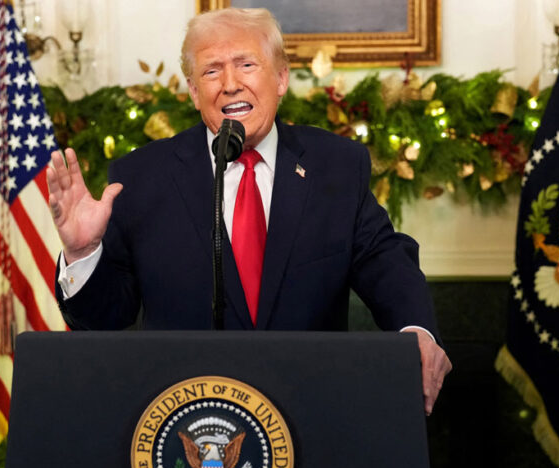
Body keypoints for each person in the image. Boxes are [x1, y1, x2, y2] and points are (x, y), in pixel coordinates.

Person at [46, 7, 451, 414]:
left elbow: (386, 261)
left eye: (246, 65)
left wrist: (416, 331)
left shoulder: (336, 165)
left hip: (310, 413)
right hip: (186, 420)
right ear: (192, 90)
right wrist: (82, 254)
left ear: (280, 78)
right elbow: (106, 319)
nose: (230, 85)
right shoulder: (143, 175)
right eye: (211, 71)